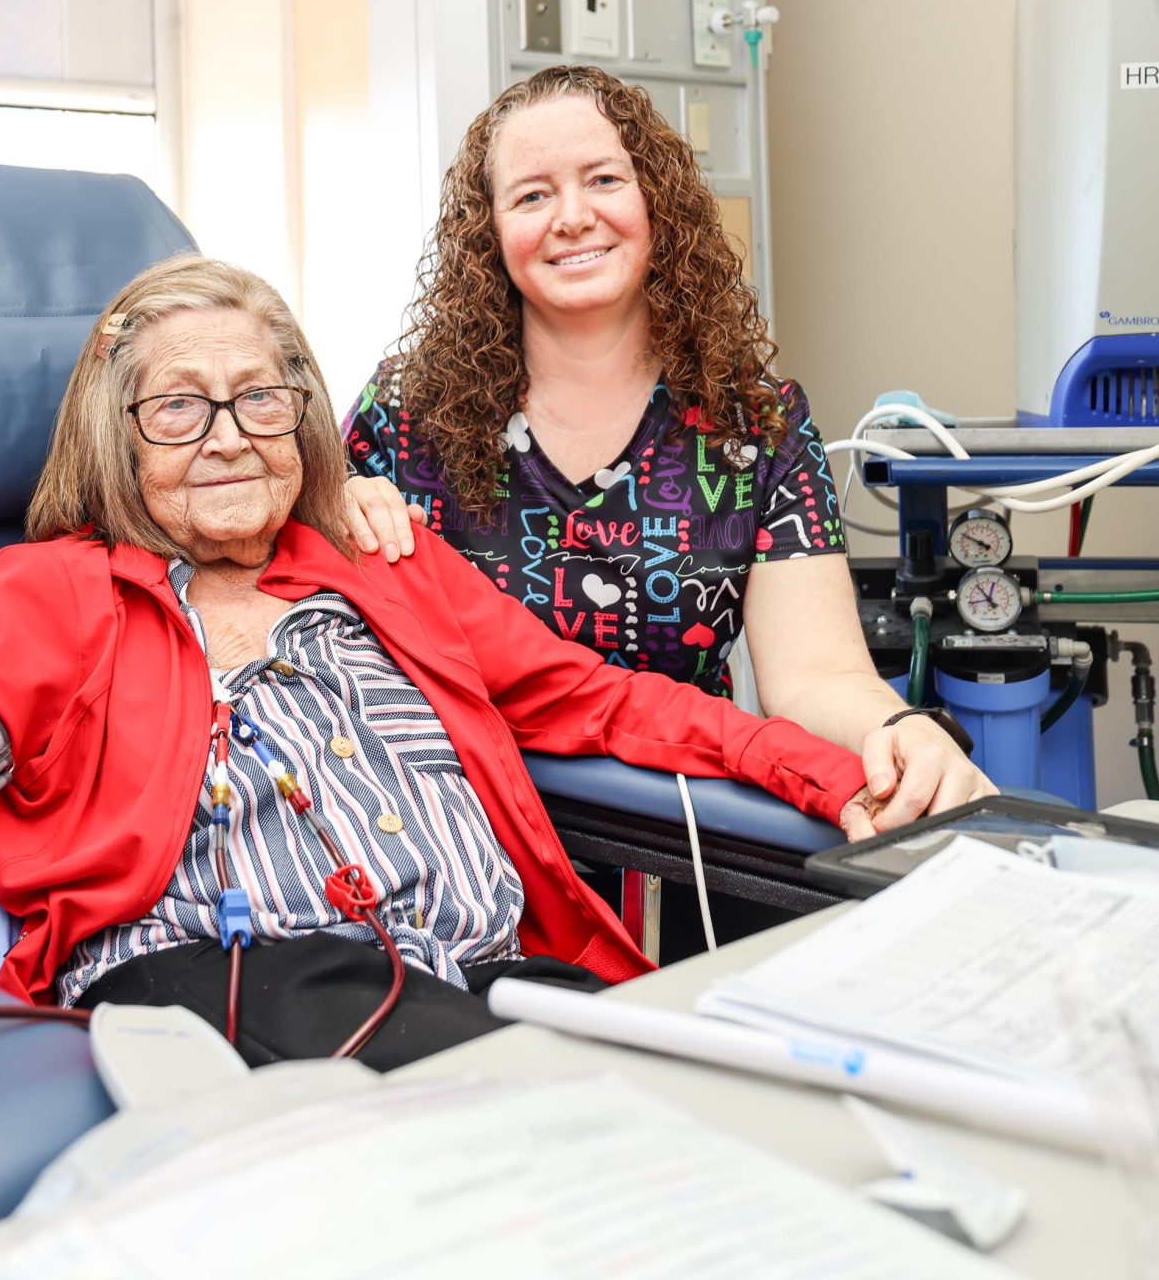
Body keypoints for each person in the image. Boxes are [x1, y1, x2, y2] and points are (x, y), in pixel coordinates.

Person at [0, 254, 879, 1074]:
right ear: (114, 436)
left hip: (493, 974)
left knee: (720, 1102)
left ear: (303, 420)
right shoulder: (50, 596)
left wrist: (841, 771)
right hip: (217, 984)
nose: (228, 435)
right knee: (570, 1145)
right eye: (177, 408)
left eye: (260, 399)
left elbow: (610, 705)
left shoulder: (386, 564)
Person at [342, 64, 994, 834]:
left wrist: (897, 730)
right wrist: (333, 497)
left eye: (604, 179)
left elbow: (818, 673)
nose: (572, 216)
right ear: (490, 232)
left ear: (658, 202)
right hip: (467, 844)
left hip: (688, 843)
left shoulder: (755, 426)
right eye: (531, 194)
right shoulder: (405, 415)